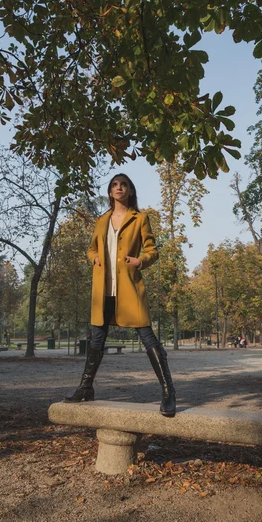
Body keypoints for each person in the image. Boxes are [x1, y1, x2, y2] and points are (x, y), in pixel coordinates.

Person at [64, 173, 176, 417]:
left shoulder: (140, 219)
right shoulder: (101, 220)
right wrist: (92, 257)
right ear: (110, 191)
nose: (119, 188)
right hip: (103, 288)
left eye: (123, 185)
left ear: (130, 191)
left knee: (148, 337)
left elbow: (152, 251)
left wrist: (141, 260)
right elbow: (92, 247)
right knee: (96, 339)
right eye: (115, 185)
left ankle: (168, 391)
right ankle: (85, 387)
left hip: (129, 286)